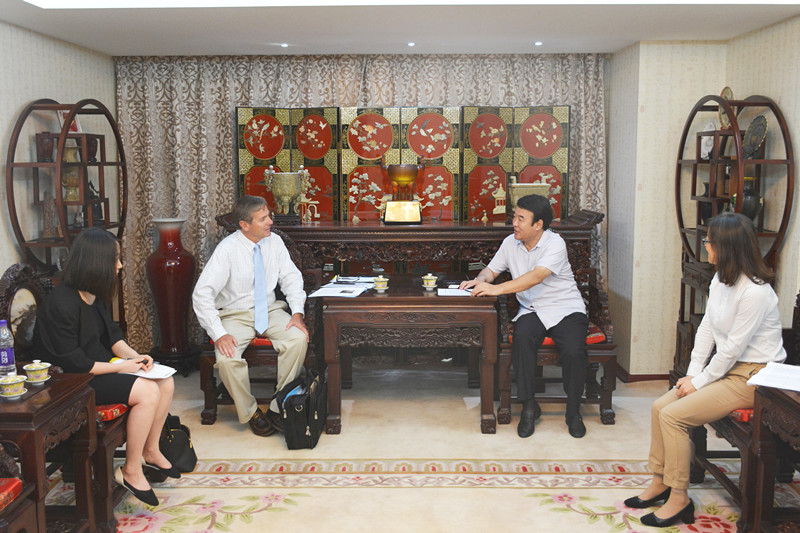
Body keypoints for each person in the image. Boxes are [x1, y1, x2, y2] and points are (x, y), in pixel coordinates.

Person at [624, 212, 786, 528]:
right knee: (659, 407)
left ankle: (679, 497)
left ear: (727, 247)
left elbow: (733, 348)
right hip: (727, 369)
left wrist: (701, 382)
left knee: (674, 416)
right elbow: (707, 329)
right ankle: (660, 482)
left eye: (709, 241)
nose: (706, 246)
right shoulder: (721, 278)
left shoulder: (755, 291)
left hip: (754, 376)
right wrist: (693, 373)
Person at [34, 227, 177, 507]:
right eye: (115, 259)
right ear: (96, 262)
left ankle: (150, 449)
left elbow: (113, 337)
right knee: (147, 392)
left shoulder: (93, 295)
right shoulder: (61, 304)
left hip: (97, 369)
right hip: (71, 382)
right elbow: (75, 363)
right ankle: (131, 470)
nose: (120, 266)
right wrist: (123, 368)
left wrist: (137, 358)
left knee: (165, 381)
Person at [460, 194, 589, 439]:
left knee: (574, 351)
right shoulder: (511, 242)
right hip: (532, 309)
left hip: (565, 308)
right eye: (514, 217)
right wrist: (479, 281)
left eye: (521, 219)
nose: (514, 223)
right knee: (522, 340)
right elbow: (491, 270)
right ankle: (529, 407)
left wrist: (496, 289)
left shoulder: (555, 243)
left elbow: (536, 276)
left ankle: (573, 411)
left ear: (538, 224)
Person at [192, 195, 308, 437]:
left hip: (270, 310)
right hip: (235, 314)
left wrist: (297, 313)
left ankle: (277, 407)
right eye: (263, 219)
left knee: (297, 339)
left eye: (269, 216)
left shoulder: (274, 242)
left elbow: (291, 278)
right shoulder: (227, 249)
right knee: (226, 360)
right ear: (244, 225)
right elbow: (202, 294)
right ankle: (251, 412)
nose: (270, 222)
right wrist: (219, 333)